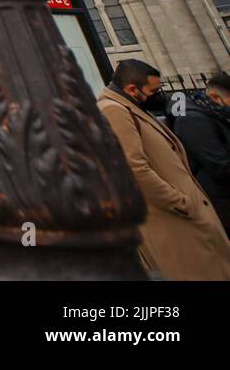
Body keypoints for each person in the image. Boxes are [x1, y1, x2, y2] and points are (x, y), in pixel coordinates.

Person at [97, 59, 230, 279]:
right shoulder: (114, 110)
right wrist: (180, 202)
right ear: (132, 88)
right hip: (173, 217)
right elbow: (134, 168)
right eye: (154, 90)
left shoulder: (131, 106)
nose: (159, 95)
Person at [172, 72, 230, 236]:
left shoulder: (214, 114)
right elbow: (219, 166)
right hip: (221, 201)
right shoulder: (193, 120)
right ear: (216, 97)